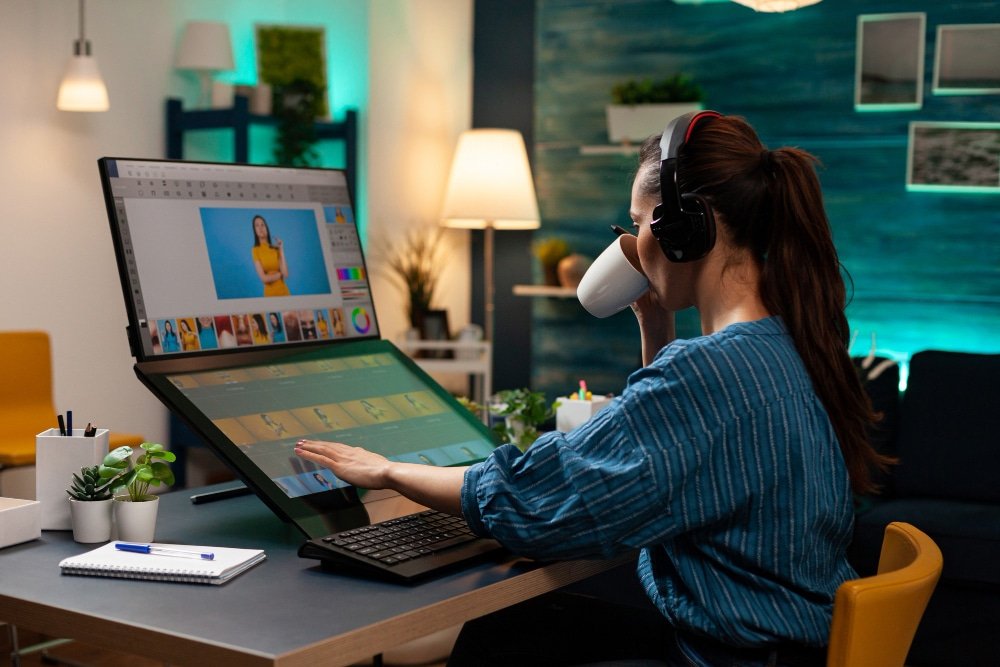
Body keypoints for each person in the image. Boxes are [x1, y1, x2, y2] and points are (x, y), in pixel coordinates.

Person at [295, 112, 890, 666]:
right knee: (515, 629)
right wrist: (656, 326)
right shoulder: (785, 342)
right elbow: (672, 459)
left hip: (727, 656)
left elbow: (536, 500)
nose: (634, 243)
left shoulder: (712, 372)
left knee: (497, 642)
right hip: (788, 644)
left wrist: (388, 471)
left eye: (638, 223)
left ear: (684, 227)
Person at [252, 214, 290, 296]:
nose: (260, 228)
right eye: (257, 225)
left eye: (262, 225)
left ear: (266, 228)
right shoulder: (255, 250)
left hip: (284, 292)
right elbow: (264, 279)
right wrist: (280, 275)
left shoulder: (275, 248)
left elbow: (286, 274)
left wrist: (281, 249)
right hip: (270, 294)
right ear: (255, 230)